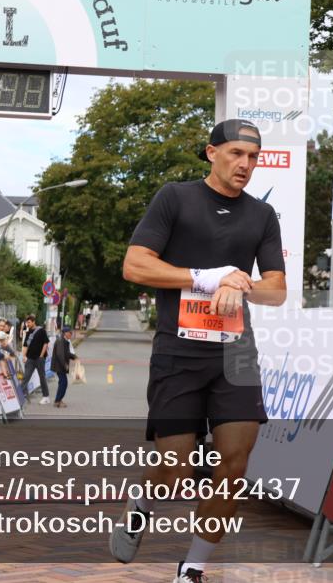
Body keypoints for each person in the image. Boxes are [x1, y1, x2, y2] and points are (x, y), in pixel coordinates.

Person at [112, 118, 286, 583]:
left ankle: (192, 568)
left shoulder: (261, 216)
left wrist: (241, 281)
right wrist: (205, 277)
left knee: (234, 462)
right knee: (175, 466)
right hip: (178, 348)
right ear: (211, 153)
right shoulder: (176, 197)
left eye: (253, 157)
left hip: (236, 351)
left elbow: (278, 289)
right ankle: (142, 504)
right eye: (235, 154)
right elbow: (135, 265)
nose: (245, 165)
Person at [19, 314, 50, 404]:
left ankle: (46, 396)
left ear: (33, 322)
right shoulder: (28, 332)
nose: (27, 324)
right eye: (26, 323)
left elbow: (45, 343)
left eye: (29, 322)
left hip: (39, 358)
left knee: (42, 377)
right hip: (30, 359)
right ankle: (20, 396)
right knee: (26, 377)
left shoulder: (41, 331)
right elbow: (25, 346)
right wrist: (24, 356)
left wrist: (41, 355)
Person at [51, 325, 76, 408]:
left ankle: (59, 400)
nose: (71, 334)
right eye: (70, 333)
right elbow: (60, 354)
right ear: (65, 333)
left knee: (62, 383)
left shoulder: (65, 340)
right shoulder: (61, 341)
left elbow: (67, 353)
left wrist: (74, 357)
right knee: (63, 383)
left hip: (60, 365)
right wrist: (65, 364)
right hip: (59, 366)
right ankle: (57, 401)